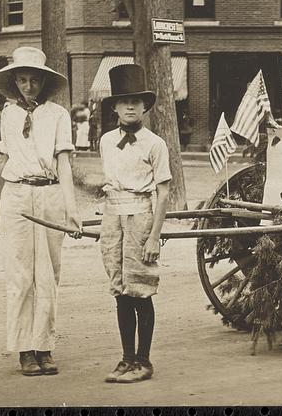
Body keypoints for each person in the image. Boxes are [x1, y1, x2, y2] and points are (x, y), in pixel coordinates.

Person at [0, 46, 81, 376]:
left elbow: (64, 163)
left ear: (44, 83)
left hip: (49, 195)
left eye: (35, 81)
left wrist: (71, 209)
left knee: (48, 275)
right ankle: (24, 349)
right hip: (16, 196)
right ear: (14, 81)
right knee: (20, 276)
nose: (28, 87)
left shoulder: (58, 115)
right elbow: (8, 161)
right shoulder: (8, 115)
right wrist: (0, 208)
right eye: (22, 80)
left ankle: (44, 346)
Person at [98, 64, 171, 384]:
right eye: (123, 100)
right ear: (114, 106)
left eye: (136, 101)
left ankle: (144, 360)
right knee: (121, 290)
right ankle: (126, 359)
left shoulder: (154, 143)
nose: (130, 106)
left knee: (140, 289)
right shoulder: (105, 141)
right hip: (113, 217)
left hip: (141, 216)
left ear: (145, 107)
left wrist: (154, 236)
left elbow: (164, 191)